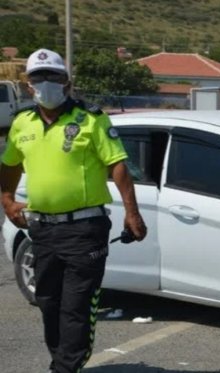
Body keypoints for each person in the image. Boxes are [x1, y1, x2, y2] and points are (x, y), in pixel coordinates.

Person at [0, 48, 147, 373]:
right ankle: (63, 362)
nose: (46, 84)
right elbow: (9, 164)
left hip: (85, 229)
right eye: (38, 78)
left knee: (76, 306)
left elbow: (118, 165)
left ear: (67, 83)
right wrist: (7, 201)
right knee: (48, 302)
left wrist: (132, 212)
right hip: (42, 230)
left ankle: (66, 367)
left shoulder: (91, 119)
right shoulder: (22, 122)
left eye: (53, 77)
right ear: (28, 85)